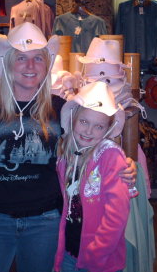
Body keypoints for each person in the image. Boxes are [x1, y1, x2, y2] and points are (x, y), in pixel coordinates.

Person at [0, 22, 136, 272]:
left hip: (44, 221)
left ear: (47, 64)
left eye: (38, 58)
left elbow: (95, 145)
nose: (30, 66)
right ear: (7, 61)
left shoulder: (62, 109)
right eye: (21, 58)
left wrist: (128, 164)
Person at [54, 81, 131, 272]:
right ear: (73, 119)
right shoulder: (65, 154)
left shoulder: (109, 156)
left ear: (108, 129)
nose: (88, 131)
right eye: (84, 122)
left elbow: (117, 214)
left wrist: (95, 254)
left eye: (98, 126)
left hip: (99, 259)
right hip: (68, 253)